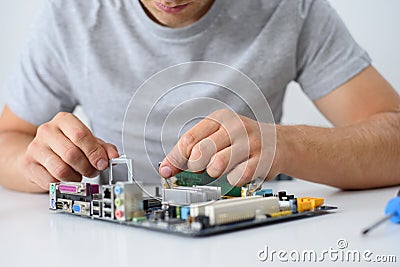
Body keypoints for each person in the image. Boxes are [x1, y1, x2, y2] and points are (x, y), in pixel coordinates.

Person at [0, 0, 399, 193]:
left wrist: (284, 144)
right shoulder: (69, 15)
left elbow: (393, 137)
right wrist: (35, 164)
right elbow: (8, 139)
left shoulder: (290, 8)